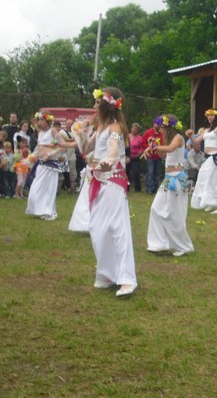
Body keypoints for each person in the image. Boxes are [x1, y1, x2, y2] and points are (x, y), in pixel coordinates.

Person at [86, 87, 137, 297]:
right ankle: (108, 274)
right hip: (99, 180)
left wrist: (103, 164)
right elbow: (86, 149)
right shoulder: (101, 127)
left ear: (107, 105)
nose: (94, 106)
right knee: (97, 228)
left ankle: (127, 279)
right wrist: (80, 133)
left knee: (117, 227)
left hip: (113, 180)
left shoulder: (115, 127)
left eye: (97, 102)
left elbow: (114, 151)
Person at [144, 114, 194, 257]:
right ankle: (159, 244)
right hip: (168, 179)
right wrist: (154, 149)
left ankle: (183, 246)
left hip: (178, 179)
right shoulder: (167, 140)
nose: (159, 129)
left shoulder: (178, 138)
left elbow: (170, 149)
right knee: (156, 208)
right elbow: (164, 156)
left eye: (161, 127)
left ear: (168, 127)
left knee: (175, 213)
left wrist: (155, 146)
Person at [25, 111, 76, 221]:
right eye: (39, 120)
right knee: (36, 188)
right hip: (41, 164)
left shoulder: (53, 131)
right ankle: (39, 209)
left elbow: (62, 146)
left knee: (48, 189)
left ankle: (48, 211)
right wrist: (32, 157)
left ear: (47, 120)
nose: (40, 122)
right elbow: (39, 148)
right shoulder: (40, 133)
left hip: (50, 164)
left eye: (42, 120)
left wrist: (49, 154)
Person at [187, 109, 217, 214]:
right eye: (208, 115)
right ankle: (210, 203)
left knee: (211, 181)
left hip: (214, 157)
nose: (209, 117)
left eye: (211, 115)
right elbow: (196, 141)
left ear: (216, 117)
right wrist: (190, 136)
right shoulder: (206, 130)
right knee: (203, 178)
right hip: (207, 158)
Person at [142, 119, 164, 194]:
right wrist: (149, 149)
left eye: (159, 124)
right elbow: (143, 142)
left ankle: (155, 189)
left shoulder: (162, 133)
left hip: (159, 156)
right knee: (150, 173)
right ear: (153, 124)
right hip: (150, 156)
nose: (158, 125)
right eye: (157, 124)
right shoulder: (148, 132)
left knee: (158, 174)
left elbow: (164, 143)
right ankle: (149, 189)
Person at [60, 119, 77, 193]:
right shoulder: (61, 132)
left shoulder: (75, 132)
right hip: (63, 155)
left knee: (73, 172)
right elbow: (60, 141)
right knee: (62, 173)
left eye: (71, 124)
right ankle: (59, 189)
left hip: (72, 155)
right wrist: (72, 140)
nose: (70, 126)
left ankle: (72, 188)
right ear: (65, 124)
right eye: (68, 124)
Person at [127, 123, 144, 192]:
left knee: (136, 173)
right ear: (131, 129)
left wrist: (139, 154)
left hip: (135, 158)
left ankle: (137, 188)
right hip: (127, 157)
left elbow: (142, 148)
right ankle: (127, 187)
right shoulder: (127, 136)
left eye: (136, 129)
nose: (134, 130)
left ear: (138, 130)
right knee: (127, 173)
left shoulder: (140, 138)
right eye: (133, 128)